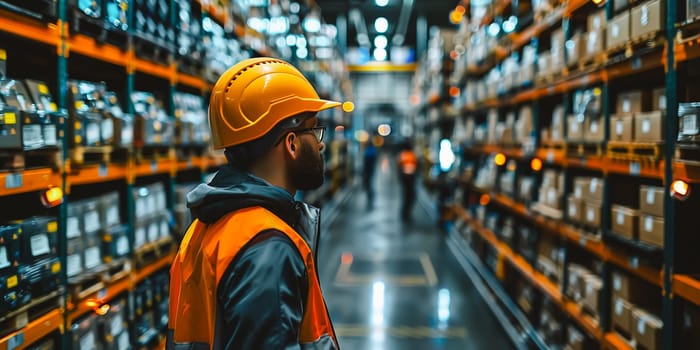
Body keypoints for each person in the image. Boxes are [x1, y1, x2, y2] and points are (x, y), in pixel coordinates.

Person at [168, 57, 343, 350]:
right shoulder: (268, 248)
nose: (321, 143)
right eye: (314, 130)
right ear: (291, 143)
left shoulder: (206, 227)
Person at [397, 140, 418, 222]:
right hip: (410, 179)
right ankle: (405, 213)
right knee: (410, 196)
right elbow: (416, 167)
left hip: (405, 179)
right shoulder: (412, 155)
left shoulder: (401, 155)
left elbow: (398, 167)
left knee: (406, 196)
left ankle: (404, 213)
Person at [362, 140, 378, 209]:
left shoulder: (367, 151)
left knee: (368, 179)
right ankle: (370, 190)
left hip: (367, 168)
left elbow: (365, 160)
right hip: (371, 168)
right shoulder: (373, 150)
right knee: (370, 179)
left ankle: (369, 190)